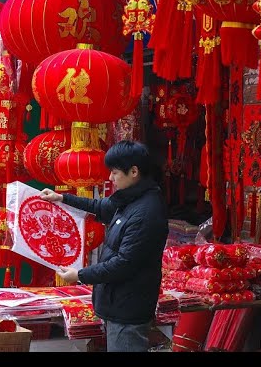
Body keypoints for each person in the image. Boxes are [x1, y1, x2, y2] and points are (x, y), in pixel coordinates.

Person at [40, 140, 168, 352]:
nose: (111, 178)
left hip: (129, 308)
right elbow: (99, 206)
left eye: (115, 173)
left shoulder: (146, 211)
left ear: (134, 171)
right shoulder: (131, 198)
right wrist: (61, 198)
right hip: (119, 302)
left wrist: (81, 275)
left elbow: (124, 263)